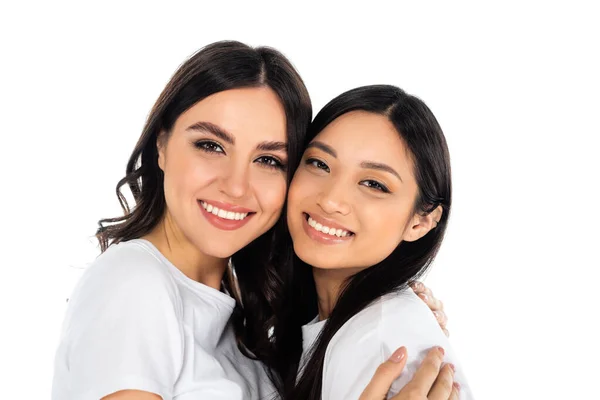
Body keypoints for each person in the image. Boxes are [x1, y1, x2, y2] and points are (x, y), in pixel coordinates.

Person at [52, 41, 455, 400]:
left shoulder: (244, 313)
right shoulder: (134, 284)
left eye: (268, 160)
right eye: (210, 145)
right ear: (162, 143)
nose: (236, 186)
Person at [282, 85, 473, 399]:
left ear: (420, 221)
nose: (331, 200)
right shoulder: (332, 320)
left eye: (373, 184)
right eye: (320, 164)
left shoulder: (380, 343)